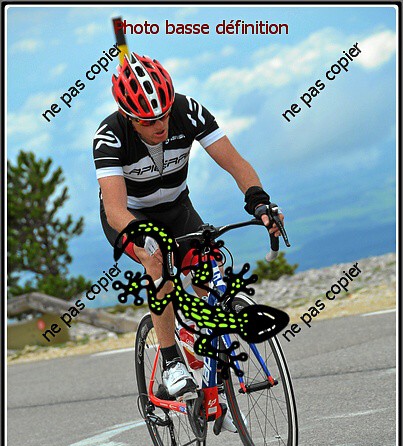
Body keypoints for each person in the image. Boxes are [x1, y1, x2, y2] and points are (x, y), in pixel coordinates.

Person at [93, 52, 284, 417]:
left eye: (164, 115)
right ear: (128, 116)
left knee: (208, 265)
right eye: (149, 121)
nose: (160, 125)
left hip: (177, 208)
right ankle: (170, 362)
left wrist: (259, 202)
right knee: (157, 261)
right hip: (130, 216)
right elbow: (115, 210)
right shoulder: (109, 137)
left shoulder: (188, 111)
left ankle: (206, 355)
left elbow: (236, 163)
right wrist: (143, 236)